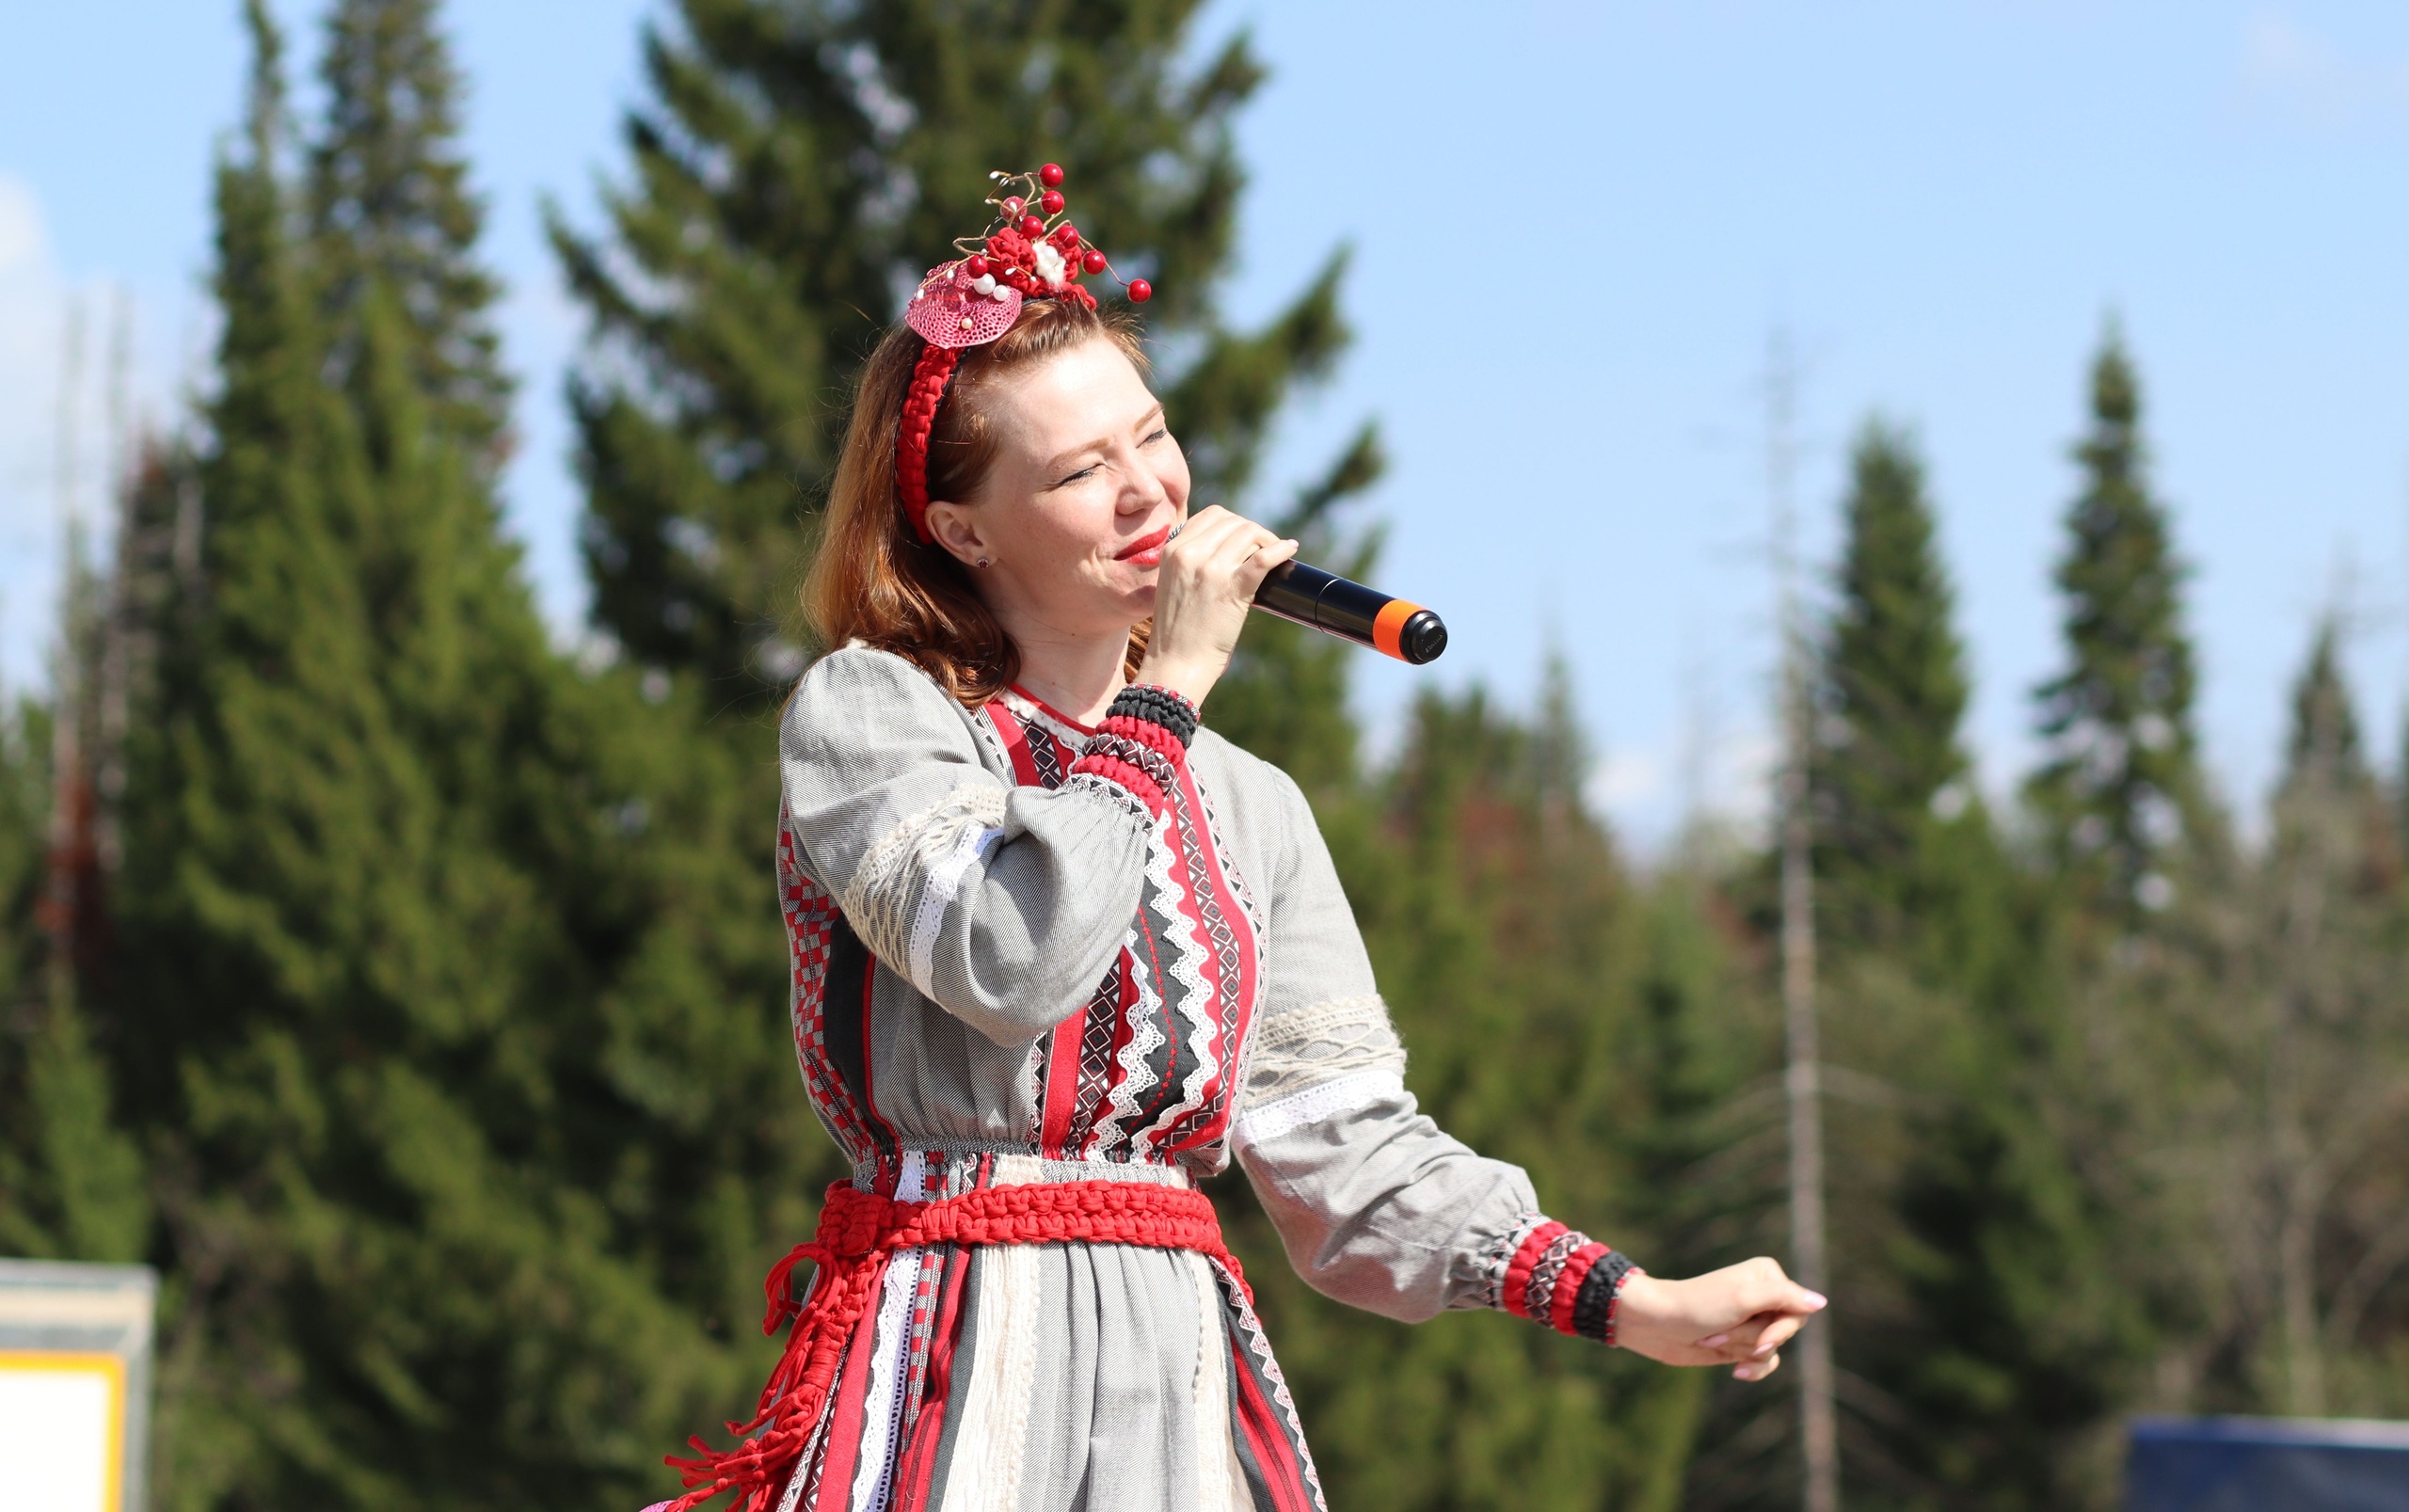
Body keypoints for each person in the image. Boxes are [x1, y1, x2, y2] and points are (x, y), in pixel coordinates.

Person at [653, 168, 1826, 1512]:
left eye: (1150, 437)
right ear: (960, 526)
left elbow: (1349, 1157)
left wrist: (1632, 1300)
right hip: (956, 1356)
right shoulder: (874, 713)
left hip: (1177, 1377)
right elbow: (1013, 958)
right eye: (1081, 471)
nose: (1146, 493)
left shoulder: (1246, 800)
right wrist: (1164, 698)